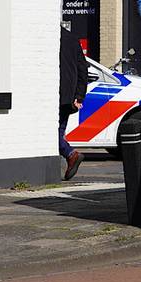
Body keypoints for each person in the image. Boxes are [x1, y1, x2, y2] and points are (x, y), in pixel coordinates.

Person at [59, 23, 90, 180]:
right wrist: (79, 95)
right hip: (67, 96)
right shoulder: (72, 39)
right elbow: (82, 69)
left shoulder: (50, 38)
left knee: (52, 133)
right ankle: (69, 155)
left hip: (56, 95)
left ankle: (70, 154)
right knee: (59, 130)